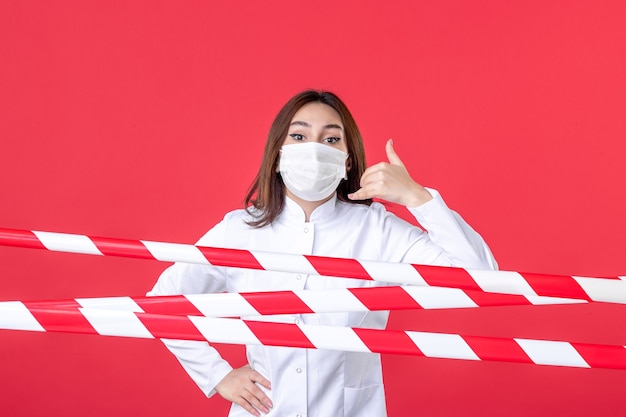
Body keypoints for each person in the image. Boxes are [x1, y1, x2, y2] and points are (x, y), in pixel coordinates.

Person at [148, 90, 497, 417]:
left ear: (346, 162)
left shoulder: (378, 230)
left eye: (331, 139)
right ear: (278, 155)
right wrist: (217, 375)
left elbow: (481, 277)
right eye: (299, 137)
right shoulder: (239, 230)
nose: (315, 150)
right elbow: (162, 300)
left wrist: (418, 198)